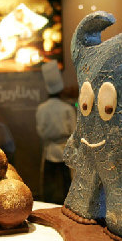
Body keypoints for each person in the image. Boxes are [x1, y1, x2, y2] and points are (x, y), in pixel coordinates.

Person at [36, 61, 76, 204]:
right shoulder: (67, 108)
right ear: (60, 89)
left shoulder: (42, 108)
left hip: (49, 150)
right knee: (66, 184)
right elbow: (75, 131)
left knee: (50, 186)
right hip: (65, 149)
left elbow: (40, 131)